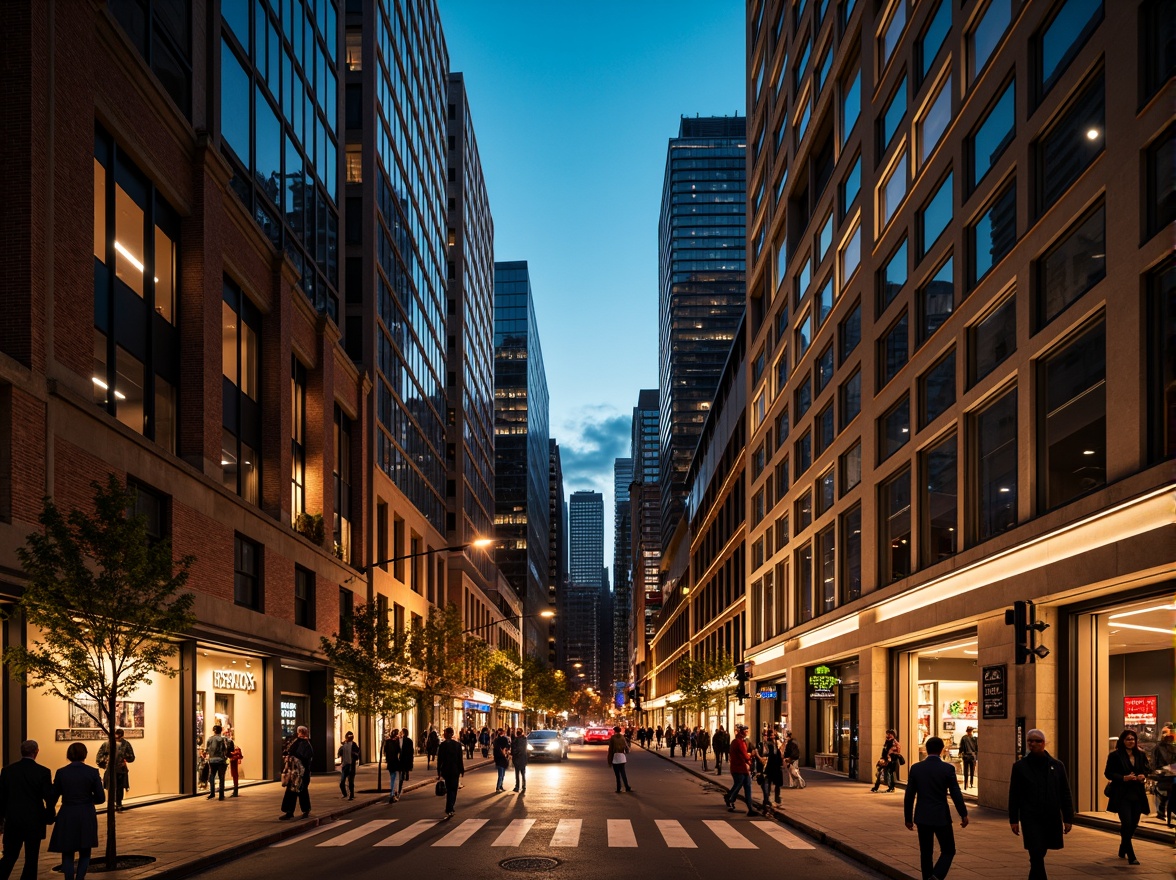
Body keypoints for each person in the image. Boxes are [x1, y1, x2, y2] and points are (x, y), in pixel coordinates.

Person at [1008, 729, 1073, 880]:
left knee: (1040, 852)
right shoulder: (1020, 766)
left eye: (1038, 741)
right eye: (1030, 741)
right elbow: (1014, 793)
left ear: (1044, 743)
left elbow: (1065, 792)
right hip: (1030, 816)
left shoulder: (1057, 766)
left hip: (1050, 816)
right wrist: (1013, 819)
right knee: (1036, 851)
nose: (1033, 744)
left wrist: (1068, 817)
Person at [904, 736, 969, 880]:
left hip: (922, 815)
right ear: (942, 750)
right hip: (941, 816)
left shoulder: (916, 768)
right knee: (948, 850)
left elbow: (909, 796)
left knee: (925, 853)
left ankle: (927, 877)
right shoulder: (947, 769)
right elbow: (955, 793)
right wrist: (963, 814)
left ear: (926, 750)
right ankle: (937, 876)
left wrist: (908, 818)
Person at [0, 739, 55, 880]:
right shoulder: (43, 772)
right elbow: (48, 797)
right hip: (34, 820)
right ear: (36, 752)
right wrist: (49, 815)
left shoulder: (7, 771)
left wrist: (2, 819)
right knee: (31, 858)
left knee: (10, 856)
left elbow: (2, 798)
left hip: (13, 819)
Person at [47, 743, 103, 880]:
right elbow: (101, 798)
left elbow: (53, 796)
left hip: (67, 812)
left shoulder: (61, 772)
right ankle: (80, 878)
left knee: (67, 851)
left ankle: (69, 878)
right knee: (85, 851)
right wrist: (88, 799)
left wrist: (49, 811)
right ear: (85, 754)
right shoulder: (92, 772)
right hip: (86, 812)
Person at [1104, 728, 1149, 864]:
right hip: (1122, 794)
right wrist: (1123, 778)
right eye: (1128, 739)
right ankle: (1131, 855)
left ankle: (1123, 846)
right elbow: (1108, 773)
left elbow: (1146, 770)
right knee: (1127, 822)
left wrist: (1143, 777)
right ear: (1122, 741)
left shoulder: (1141, 755)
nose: (1131, 742)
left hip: (1137, 794)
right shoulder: (1115, 756)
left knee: (1133, 824)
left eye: (1133, 739)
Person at [278, 725, 314, 820]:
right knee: (293, 791)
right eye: (300, 731)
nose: (300, 733)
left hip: (301, 772)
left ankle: (303, 810)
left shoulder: (304, 743)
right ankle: (291, 812)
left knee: (301, 791)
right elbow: (289, 751)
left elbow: (304, 757)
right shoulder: (299, 742)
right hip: (295, 772)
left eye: (302, 731)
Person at [94, 729, 134, 812]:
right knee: (110, 787)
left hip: (121, 769)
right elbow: (99, 756)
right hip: (110, 769)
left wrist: (125, 759)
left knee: (119, 787)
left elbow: (132, 757)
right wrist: (104, 762)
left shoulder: (125, 744)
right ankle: (112, 803)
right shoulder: (107, 744)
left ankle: (119, 803)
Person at [723, 725, 757, 816]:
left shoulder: (738, 741)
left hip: (741, 768)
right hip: (739, 768)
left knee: (746, 786)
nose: (747, 733)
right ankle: (730, 797)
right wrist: (751, 755)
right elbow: (745, 755)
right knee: (741, 785)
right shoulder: (739, 742)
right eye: (745, 731)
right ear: (741, 732)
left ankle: (750, 808)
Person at [435, 727, 464, 819]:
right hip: (455, 770)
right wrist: (461, 770)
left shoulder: (443, 745)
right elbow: (460, 759)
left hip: (446, 770)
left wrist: (439, 771)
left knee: (449, 789)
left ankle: (449, 808)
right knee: (453, 790)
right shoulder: (457, 745)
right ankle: (450, 808)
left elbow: (440, 760)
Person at [1152, 726, 1176, 820]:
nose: (1166, 735)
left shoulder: (1173, 748)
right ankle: (1162, 810)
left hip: (1171, 773)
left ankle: (1165, 810)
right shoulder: (1158, 748)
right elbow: (1154, 763)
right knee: (1165, 791)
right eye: (1164, 732)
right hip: (1163, 774)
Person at [871, 729, 903, 793]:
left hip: (891, 761)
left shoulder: (895, 743)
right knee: (880, 773)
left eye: (890, 734)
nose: (888, 735)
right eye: (888, 734)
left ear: (893, 735)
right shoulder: (887, 742)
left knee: (889, 774)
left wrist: (890, 757)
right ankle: (876, 787)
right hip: (884, 760)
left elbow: (897, 752)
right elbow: (884, 751)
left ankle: (891, 787)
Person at [759, 729, 785, 808]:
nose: (773, 736)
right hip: (770, 766)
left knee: (776, 783)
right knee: (768, 783)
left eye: (774, 735)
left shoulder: (776, 743)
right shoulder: (767, 744)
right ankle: (767, 799)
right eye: (772, 735)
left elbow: (780, 754)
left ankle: (775, 799)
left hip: (776, 766)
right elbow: (765, 753)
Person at [204, 724, 230, 801]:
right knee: (221, 777)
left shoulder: (210, 739)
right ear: (220, 731)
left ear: (214, 731)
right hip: (221, 760)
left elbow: (207, 750)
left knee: (212, 776)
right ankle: (221, 795)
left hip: (212, 760)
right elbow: (224, 749)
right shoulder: (222, 739)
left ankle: (212, 793)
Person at [606, 726, 632, 793]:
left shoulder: (613, 738)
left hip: (615, 756)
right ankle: (627, 787)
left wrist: (609, 760)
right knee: (623, 773)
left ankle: (618, 788)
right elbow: (627, 748)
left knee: (617, 774)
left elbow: (611, 750)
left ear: (614, 731)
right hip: (622, 756)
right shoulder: (622, 737)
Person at [338, 731, 360, 801]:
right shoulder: (344, 745)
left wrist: (353, 753)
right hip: (345, 765)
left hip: (351, 765)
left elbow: (357, 755)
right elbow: (339, 753)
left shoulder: (354, 745)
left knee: (351, 781)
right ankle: (344, 794)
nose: (349, 737)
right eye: (348, 736)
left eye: (351, 736)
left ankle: (351, 795)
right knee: (342, 782)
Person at [382, 730, 401, 803]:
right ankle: (392, 794)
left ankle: (393, 793)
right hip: (395, 762)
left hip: (390, 762)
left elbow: (385, 751)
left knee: (392, 777)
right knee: (394, 778)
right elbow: (399, 751)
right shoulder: (396, 742)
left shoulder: (387, 742)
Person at [492, 728, 511, 792]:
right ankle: (498, 787)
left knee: (501, 774)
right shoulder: (504, 739)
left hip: (499, 759)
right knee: (501, 775)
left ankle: (500, 786)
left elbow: (495, 751)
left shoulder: (496, 740)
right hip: (502, 759)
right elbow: (508, 746)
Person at [397, 729, 414, 798]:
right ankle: (406, 774)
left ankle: (400, 788)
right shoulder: (410, 741)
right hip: (407, 758)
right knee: (405, 769)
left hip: (402, 758)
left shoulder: (401, 740)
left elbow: (399, 750)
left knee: (401, 773)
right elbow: (411, 751)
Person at [510, 728, 528, 794]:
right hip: (523, 758)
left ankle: (517, 786)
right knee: (523, 773)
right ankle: (524, 786)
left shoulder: (515, 741)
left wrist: (513, 754)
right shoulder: (524, 740)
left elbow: (513, 750)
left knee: (517, 773)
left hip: (517, 759)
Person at [225, 728, 242, 798]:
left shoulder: (233, 748)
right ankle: (235, 790)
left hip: (233, 760)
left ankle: (235, 791)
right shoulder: (235, 747)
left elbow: (233, 754)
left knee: (234, 774)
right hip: (233, 760)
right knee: (234, 774)